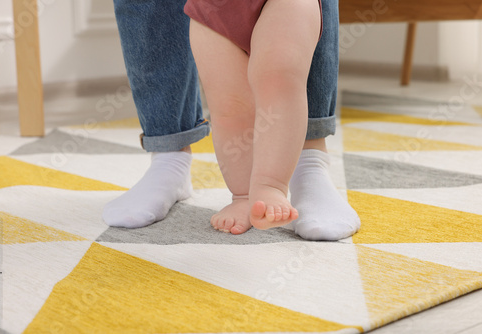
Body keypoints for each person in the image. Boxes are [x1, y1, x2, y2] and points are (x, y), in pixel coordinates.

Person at [103, 0, 360, 241]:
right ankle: (242, 194)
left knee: (281, 79)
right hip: (214, 7)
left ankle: (282, 179)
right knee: (229, 108)